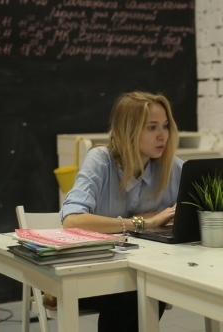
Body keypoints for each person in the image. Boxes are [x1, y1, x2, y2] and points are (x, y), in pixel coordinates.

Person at [60, 91, 184, 331]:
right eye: (151, 127)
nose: (163, 136)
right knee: (136, 288)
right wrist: (141, 222)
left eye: (166, 126)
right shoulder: (100, 160)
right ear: (128, 130)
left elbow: (197, 206)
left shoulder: (171, 166)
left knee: (145, 283)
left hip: (137, 273)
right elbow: (72, 221)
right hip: (90, 273)